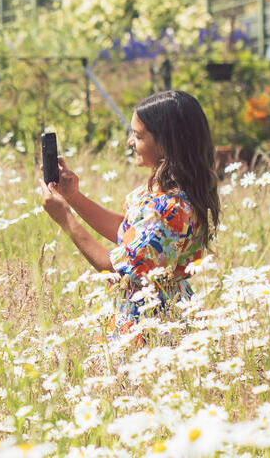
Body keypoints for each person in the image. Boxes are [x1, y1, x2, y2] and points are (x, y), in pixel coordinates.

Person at [39, 90, 220, 338]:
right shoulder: (164, 193)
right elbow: (129, 234)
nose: (130, 142)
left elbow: (115, 268)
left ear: (166, 142)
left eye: (138, 135)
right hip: (147, 316)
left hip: (153, 325)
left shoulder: (170, 207)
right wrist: (73, 197)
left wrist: (66, 219)